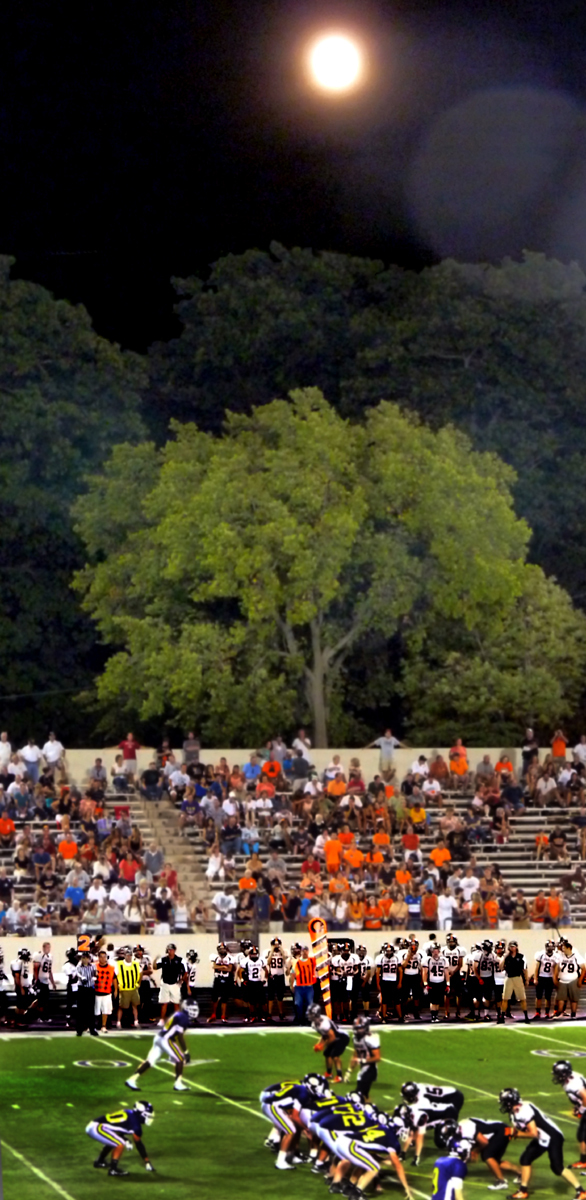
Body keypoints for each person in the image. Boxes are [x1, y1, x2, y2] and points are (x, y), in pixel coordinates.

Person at [499, 1087, 586, 1200]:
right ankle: (523, 1191)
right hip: (543, 1138)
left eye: (504, 1102)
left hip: (552, 1137)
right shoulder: (516, 1111)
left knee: (557, 1168)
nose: (503, 1105)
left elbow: (533, 1133)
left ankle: (581, 1192)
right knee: (525, 1159)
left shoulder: (523, 1112)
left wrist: (515, 1134)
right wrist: (515, 1133)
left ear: (510, 1103)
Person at [126, 1003, 194, 1093]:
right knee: (180, 1059)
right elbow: (180, 1036)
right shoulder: (183, 1018)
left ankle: (132, 1079)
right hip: (166, 1040)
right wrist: (186, 1051)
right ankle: (178, 1084)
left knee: (150, 1061)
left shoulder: (178, 1015)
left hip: (159, 1038)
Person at [87, 1100, 155, 1176]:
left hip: (96, 1126)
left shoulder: (129, 1113)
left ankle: (100, 1161)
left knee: (114, 1141)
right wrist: (146, 1161)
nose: (149, 1118)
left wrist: (126, 1139)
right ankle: (113, 1170)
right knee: (120, 1143)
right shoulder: (136, 1126)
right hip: (97, 1128)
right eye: (147, 1115)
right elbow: (139, 1144)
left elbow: (119, 1131)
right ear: (141, 1114)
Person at [307, 1002, 350, 1082]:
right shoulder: (314, 1024)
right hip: (335, 1036)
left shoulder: (324, 1023)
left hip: (342, 1037)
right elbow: (325, 1035)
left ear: (316, 1014)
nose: (309, 1015)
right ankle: (329, 1073)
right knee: (327, 1053)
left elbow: (332, 1036)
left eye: (311, 1013)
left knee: (335, 1055)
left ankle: (339, 1076)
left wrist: (322, 1045)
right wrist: (319, 1044)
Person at [497, 940, 530, 1024]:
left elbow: (524, 969)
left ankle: (526, 1016)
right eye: (511, 946)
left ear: (516, 947)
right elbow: (500, 967)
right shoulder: (507, 956)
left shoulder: (521, 956)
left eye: (514, 946)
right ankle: (502, 1016)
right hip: (509, 977)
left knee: (522, 998)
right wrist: (503, 957)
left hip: (518, 977)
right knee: (505, 998)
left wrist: (526, 979)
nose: (512, 948)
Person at [554, 940, 585, 1019]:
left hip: (573, 979)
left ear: (569, 948)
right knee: (561, 998)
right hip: (562, 979)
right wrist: (555, 978)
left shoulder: (576, 956)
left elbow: (584, 969)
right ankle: (560, 1012)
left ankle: (573, 1014)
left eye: (564, 948)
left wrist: (580, 980)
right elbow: (556, 968)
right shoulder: (560, 956)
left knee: (574, 998)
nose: (563, 949)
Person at [154, 944, 185, 1024]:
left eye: (171, 950)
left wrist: (181, 980)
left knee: (176, 1003)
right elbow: (155, 967)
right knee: (164, 1003)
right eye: (169, 950)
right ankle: (162, 1020)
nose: (170, 951)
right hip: (165, 983)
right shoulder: (163, 959)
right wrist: (154, 960)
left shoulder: (180, 960)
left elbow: (185, 972)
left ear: (174, 950)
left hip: (175, 984)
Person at [289, 945, 317, 1024]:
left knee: (309, 1003)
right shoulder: (297, 962)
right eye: (303, 951)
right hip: (299, 986)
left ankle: (309, 1020)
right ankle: (300, 1019)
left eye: (306, 950)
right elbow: (292, 974)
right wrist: (291, 985)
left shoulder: (312, 960)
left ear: (308, 951)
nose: (305, 952)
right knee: (298, 1004)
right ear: (301, 952)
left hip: (309, 986)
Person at [116, 946, 143, 1029]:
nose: (129, 957)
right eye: (127, 955)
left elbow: (141, 973)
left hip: (133, 988)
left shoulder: (135, 964)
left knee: (135, 1005)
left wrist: (138, 983)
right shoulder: (119, 964)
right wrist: (117, 985)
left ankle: (136, 1021)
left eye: (130, 955)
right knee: (122, 1007)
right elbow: (114, 975)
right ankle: (118, 1022)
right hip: (124, 989)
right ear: (124, 955)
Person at [73, 950, 98, 1037]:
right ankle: (79, 1029)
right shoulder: (79, 966)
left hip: (90, 989)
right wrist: (82, 978)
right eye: (83, 958)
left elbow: (95, 974)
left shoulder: (93, 966)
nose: (85, 959)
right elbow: (78, 974)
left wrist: (94, 978)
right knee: (81, 1010)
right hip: (82, 989)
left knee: (91, 1010)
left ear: (89, 958)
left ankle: (92, 1029)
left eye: (86, 958)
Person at [94, 949, 117, 1033]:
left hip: (107, 992)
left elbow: (114, 979)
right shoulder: (94, 966)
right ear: (98, 958)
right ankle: (94, 1025)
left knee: (105, 1010)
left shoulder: (111, 968)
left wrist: (116, 990)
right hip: (96, 991)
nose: (103, 959)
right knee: (96, 1011)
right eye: (101, 957)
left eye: (104, 957)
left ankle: (104, 1026)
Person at [33, 940, 56, 1022]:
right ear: (43, 948)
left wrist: (53, 983)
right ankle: (39, 1016)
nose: (48, 949)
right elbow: (35, 968)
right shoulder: (39, 955)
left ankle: (44, 1016)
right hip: (40, 981)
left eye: (49, 947)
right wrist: (36, 980)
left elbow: (49, 971)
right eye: (47, 947)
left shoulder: (50, 957)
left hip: (46, 981)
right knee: (40, 1001)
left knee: (45, 1000)